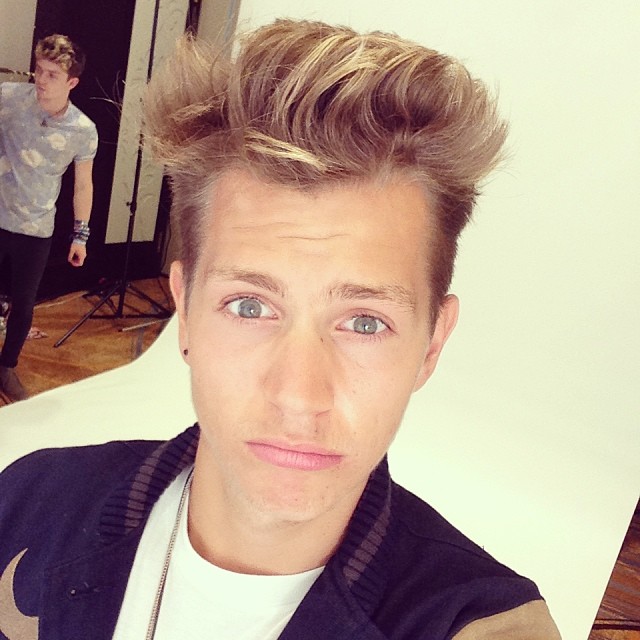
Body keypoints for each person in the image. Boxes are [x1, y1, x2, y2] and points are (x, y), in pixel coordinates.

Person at [0, 20, 561, 639]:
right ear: (184, 313)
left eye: (365, 322)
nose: (298, 395)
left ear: (432, 344)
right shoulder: (27, 500)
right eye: (249, 306)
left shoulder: (485, 626)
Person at [0, 34, 97, 402]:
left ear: (72, 82)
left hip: (36, 228)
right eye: (39, 70)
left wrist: (80, 236)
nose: (41, 80)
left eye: (52, 75)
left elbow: (83, 186)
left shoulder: (82, 130)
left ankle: (6, 367)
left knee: (24, 305)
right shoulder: (9, 97)